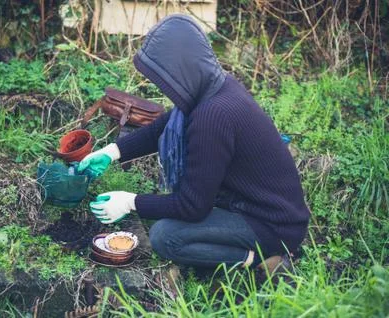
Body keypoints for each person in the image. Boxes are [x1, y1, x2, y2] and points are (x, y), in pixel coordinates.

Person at [78, 14, 310, 272]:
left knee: (165, 236)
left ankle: (258, 260)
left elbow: (192, 206)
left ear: (179, 71)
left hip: (272, 225)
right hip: (252, 206)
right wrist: (111, 152)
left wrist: (130, 202)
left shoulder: (212, 116)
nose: (162, 87)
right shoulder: (216, 87)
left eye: (162, 79)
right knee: (168, 225)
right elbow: (160, 129)